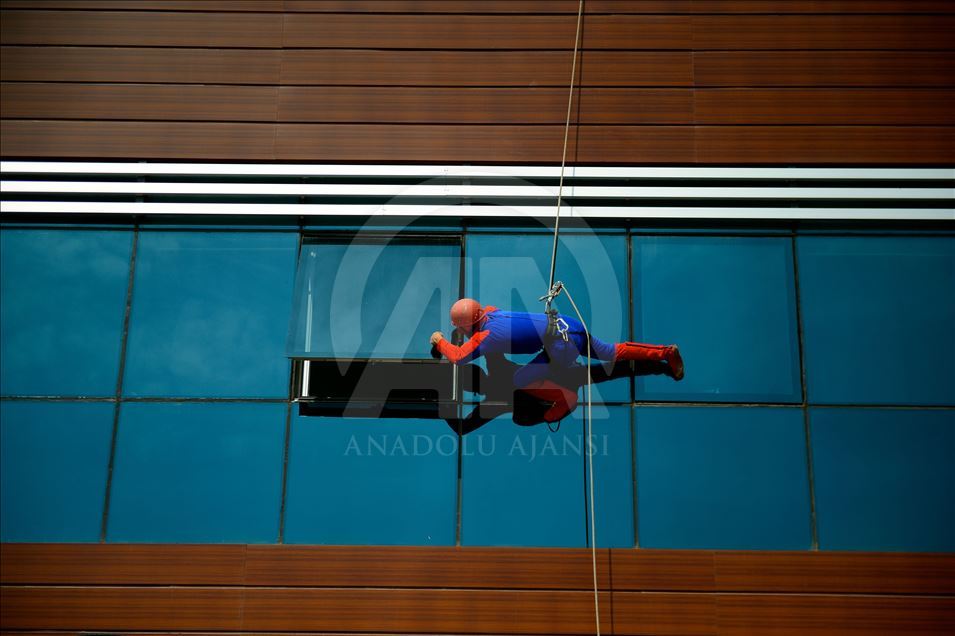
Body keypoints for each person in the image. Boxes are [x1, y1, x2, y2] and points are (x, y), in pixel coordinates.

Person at [431, 298, 684, 427]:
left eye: (461, 328)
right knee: (610, 352)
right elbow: (486, 314)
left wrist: (440, 340)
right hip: (567, 325)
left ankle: (564, 398)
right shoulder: (493, 313)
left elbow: (459, 356)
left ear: (467, 325)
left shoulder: (486, 337)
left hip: (562, 346)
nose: (462, 333)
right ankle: (664, 352)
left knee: (519, 379)